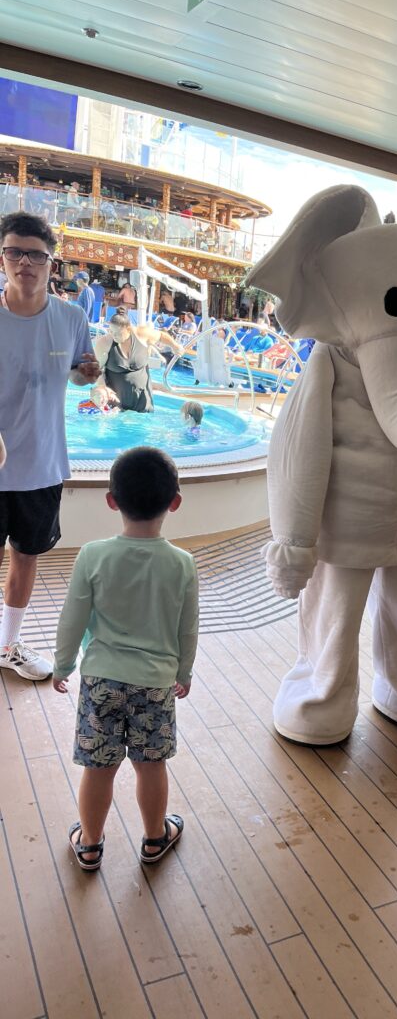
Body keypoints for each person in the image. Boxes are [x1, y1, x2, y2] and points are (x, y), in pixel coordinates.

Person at [52, 447, 198, 871]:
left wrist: (63, 666)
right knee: (150, 765)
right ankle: (155, 839)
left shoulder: (93, 555)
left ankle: (91, 844)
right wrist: (183, 672)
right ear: (175, 502)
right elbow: (187, 629)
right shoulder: (182, 564)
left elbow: (72, 618)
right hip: (155, 683)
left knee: (98, 768)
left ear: (111, 500)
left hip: (100, 680)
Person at [0, 211, 101, 680]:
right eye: (15, 251)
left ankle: (8, 644)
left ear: (50, 262)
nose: (25, 262)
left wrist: (89, 374)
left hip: (40, 463)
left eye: (35, 254)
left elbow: (81, 372)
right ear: (3, 258)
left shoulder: (72, 317)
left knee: (27, 555)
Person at [94, 314, 154, 413]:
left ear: (129, 329)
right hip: (116, 403)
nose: (114, 336)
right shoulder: (104, 343)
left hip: (143, 401)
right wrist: (103, 388)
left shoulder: (141, 336)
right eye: (111, 332)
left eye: (117, 333)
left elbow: (161, 336)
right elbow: (96, 370)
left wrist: (175, 346)